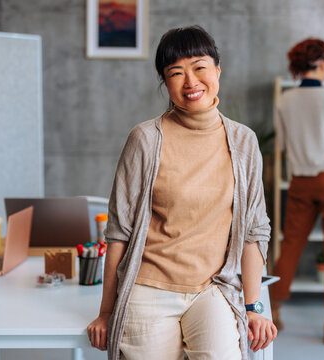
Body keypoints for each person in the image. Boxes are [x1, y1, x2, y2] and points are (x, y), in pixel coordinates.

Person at [87, 25, 277, 360]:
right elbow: (119, 233)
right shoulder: (145, 139)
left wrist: (254, 307)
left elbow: (253, 232)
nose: (190, 82)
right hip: (149, 288)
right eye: (176, 72)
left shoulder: (244, 142)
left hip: (212, 289)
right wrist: (106, 312)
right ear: (165, 81)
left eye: (200, 67)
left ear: (217, 69)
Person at [270, 38, 324, 344]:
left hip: (300, 180)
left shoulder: (284, 100)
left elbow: (281, 145)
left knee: (291, 243)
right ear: (322, 63)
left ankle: (273, 309)